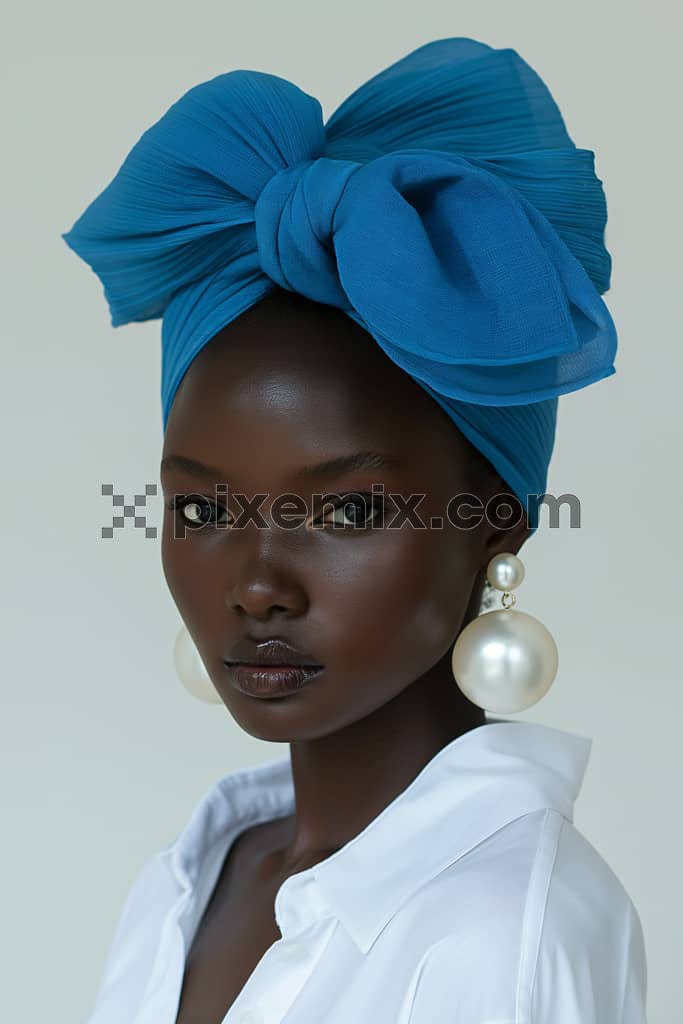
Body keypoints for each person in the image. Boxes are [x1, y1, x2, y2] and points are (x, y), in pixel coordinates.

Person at [61, 37, 648, 1024]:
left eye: (346, 510)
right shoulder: (189, 879)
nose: (256, 585)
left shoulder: (501, 928)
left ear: (494, 520)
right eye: (203, 509)